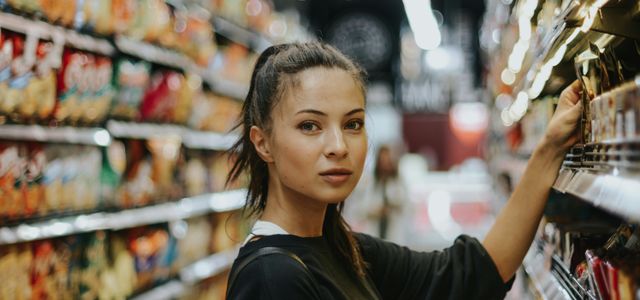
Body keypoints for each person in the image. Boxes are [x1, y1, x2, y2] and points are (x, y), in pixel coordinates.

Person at [225, 42, 583, 299]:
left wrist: (550, 148)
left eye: (352, 124)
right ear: (263, 143)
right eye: (309, 126)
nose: (338, 146)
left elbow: (472, 274)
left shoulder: (344, 249)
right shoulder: (272, 278)